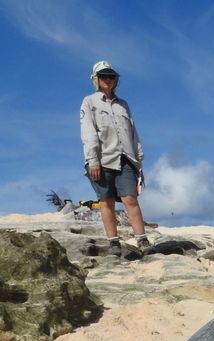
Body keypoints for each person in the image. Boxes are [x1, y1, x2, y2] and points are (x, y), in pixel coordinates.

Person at [80, 60, 151, 260]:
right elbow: (88, 132)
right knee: (106, 201)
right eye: (104, 76)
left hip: (126, 157)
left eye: (111, 76)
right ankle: (113, 241)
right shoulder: (89, 102)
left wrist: (139, 161)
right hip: (102, 159)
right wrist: (92, 160)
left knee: (130, 198)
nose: (108, 80)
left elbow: (133, 132)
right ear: (96, 79)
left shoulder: (123, 104)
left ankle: (142, 239)